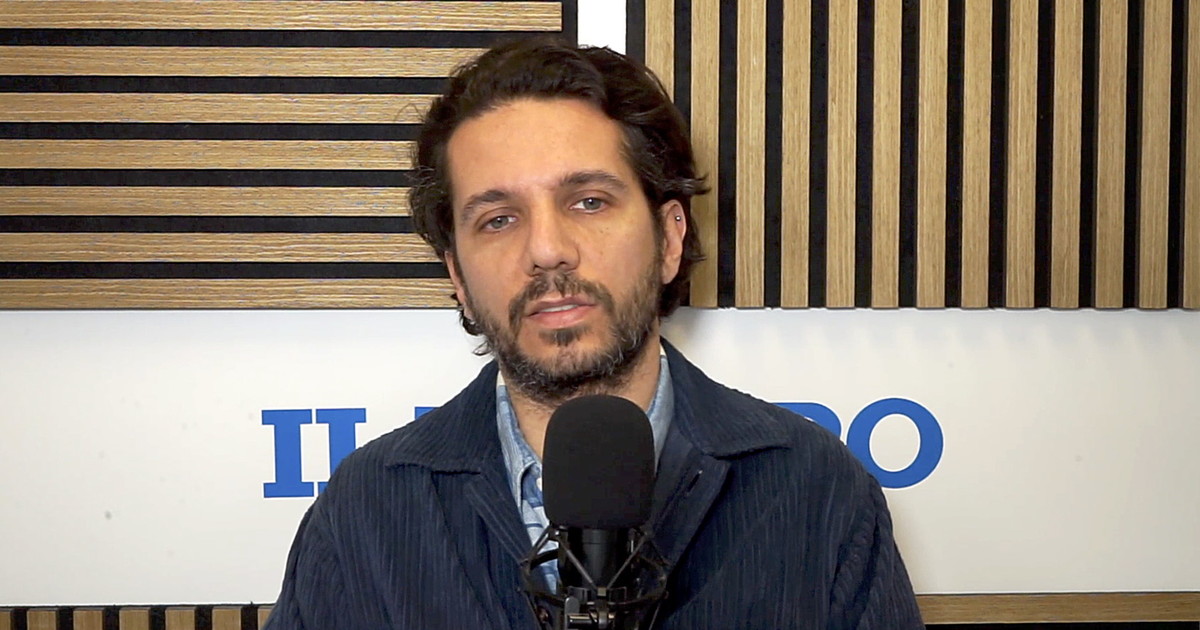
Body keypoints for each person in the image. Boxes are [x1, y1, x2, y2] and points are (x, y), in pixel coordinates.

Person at [265, 37, 923, 629]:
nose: (547, 250)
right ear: (457, 275)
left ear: (670, 238)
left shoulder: (816, 490)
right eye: (498, 219)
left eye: (588, 201)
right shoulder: (367, 511)